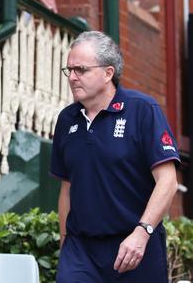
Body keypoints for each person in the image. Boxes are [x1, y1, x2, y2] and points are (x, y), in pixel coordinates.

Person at [51, 31, 179, 282]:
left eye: (81, 70)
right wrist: (65, 244)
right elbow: (67, 187)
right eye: (69, 70)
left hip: (136, 245)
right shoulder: (67, 120)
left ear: (108, 73)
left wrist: (143, 232)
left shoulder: (143, 110)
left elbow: (168, 182)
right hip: (81, 251)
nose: (73, 77)